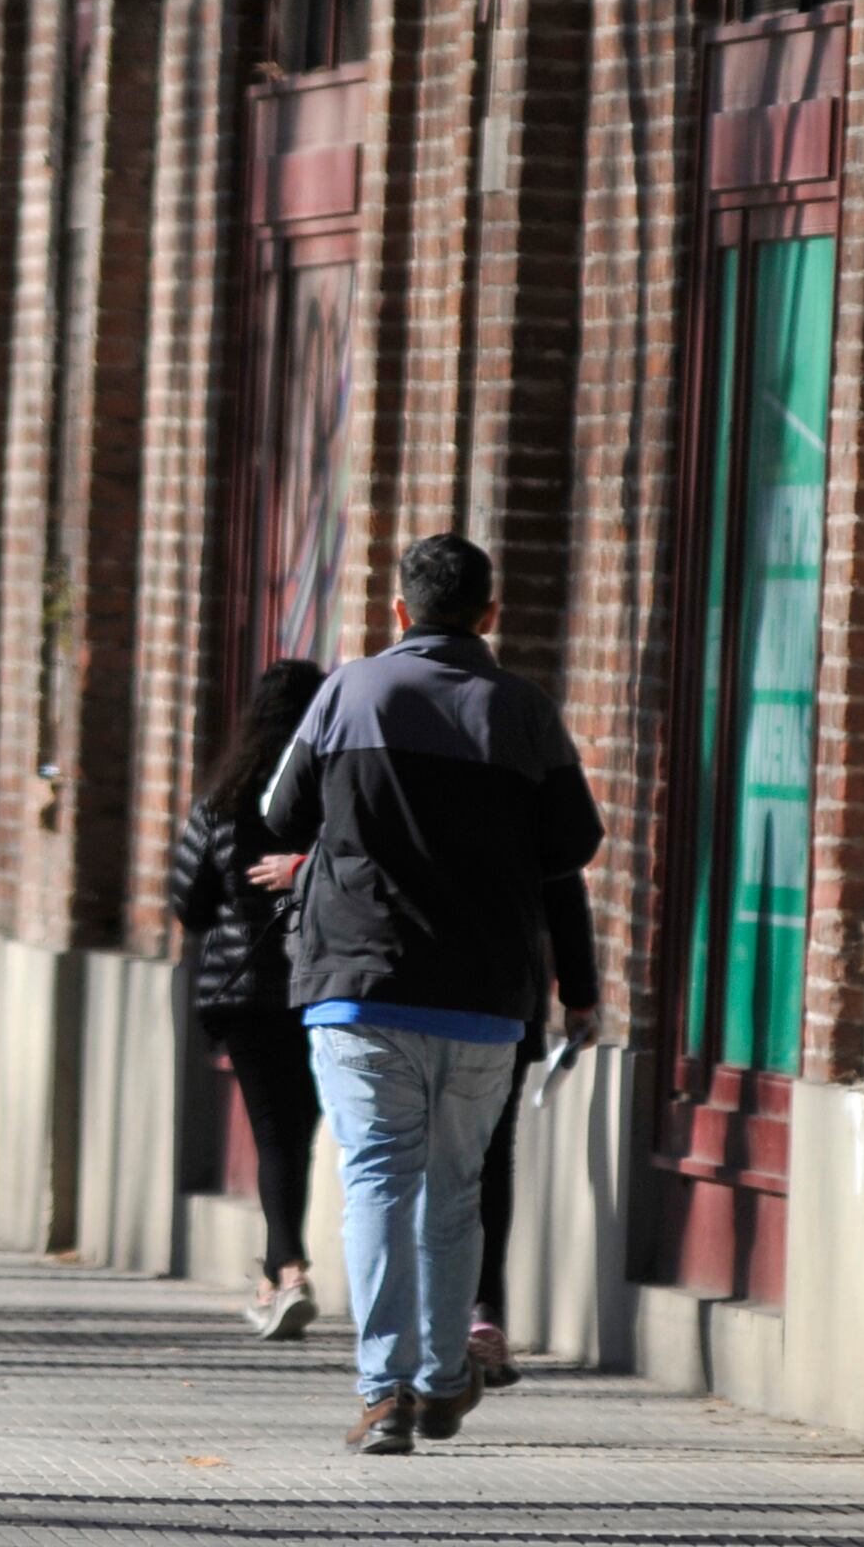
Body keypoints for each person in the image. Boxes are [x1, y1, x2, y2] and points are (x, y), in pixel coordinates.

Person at [255, 533, 603, 1456]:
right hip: (486, 997)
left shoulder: (349, 691)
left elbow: (279, 814)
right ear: (489, 616)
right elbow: (572, 842)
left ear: (399, 611)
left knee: (374, 1181)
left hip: (361, 988)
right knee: (454, 1192)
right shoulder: (525, 711)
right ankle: (444, 1374)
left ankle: (384, 1395)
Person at [171, 657, 327, 1342]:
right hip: (318, 986)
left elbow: (188, 901)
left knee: (272, 1132)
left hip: (242, 990)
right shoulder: (331, 796)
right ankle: (280, 1269)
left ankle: (283, 1271)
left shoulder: (222, 799)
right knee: (301, 1131)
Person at [469, 863, 599, 1387]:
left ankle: (447, 1321)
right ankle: (478, 1313)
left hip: (399, 990)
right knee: (486, 1155)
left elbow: (561, 872)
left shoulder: (371, 775)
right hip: (496, 988)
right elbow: (562, 874)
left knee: (412, 1160)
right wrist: (580, 994)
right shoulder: (525, 776)